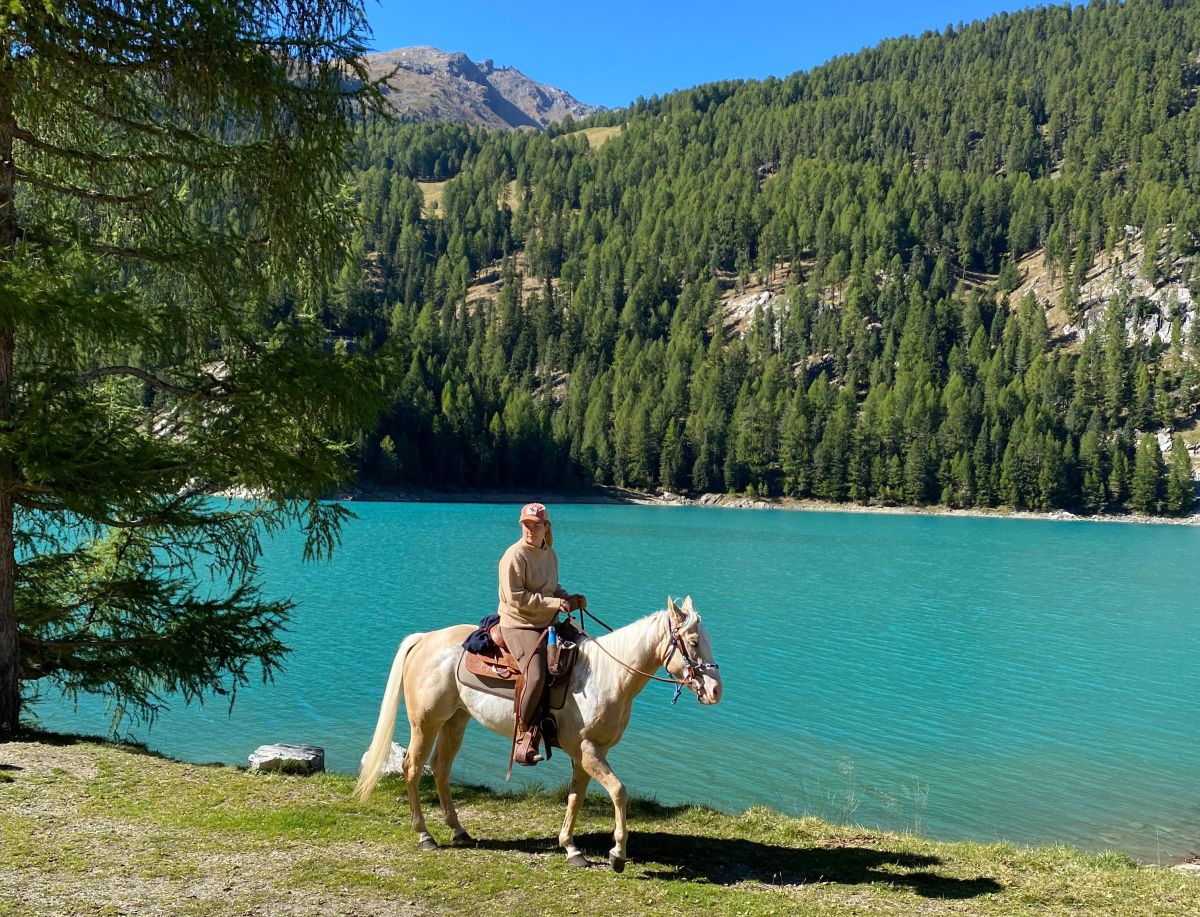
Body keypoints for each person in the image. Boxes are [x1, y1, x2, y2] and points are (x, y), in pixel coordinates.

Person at [497, 502, 586, 766]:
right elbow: (516, 598)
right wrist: (553, 603)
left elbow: (552, 587)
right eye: (526, 525)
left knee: (581, 654)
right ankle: (523, 732)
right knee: (536, 675)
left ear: (546, 527)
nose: (530, 530)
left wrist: (569, 599)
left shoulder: (550, 554)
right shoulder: (514, 556)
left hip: (546, 622)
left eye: (536, 526)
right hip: (519, 624)